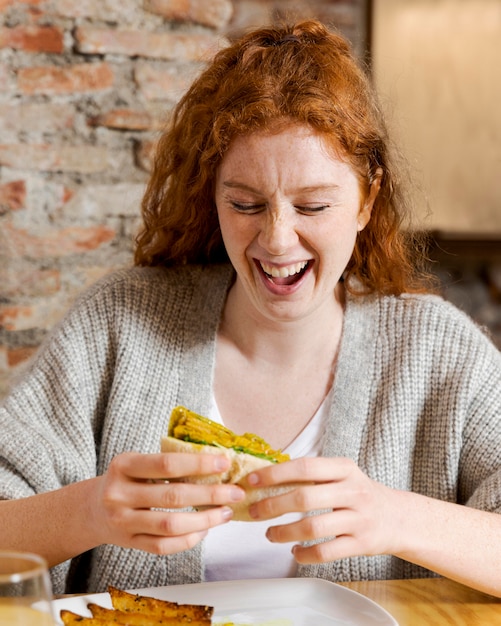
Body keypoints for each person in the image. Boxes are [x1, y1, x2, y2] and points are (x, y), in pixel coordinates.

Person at [1, 19, 501, 598]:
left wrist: (396, 517)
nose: (278, 240)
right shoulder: (118, 324)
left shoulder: (438, 351)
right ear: (212, 194)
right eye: (245, 203)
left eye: (312, 206)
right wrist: (88, 511)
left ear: (367, 200)